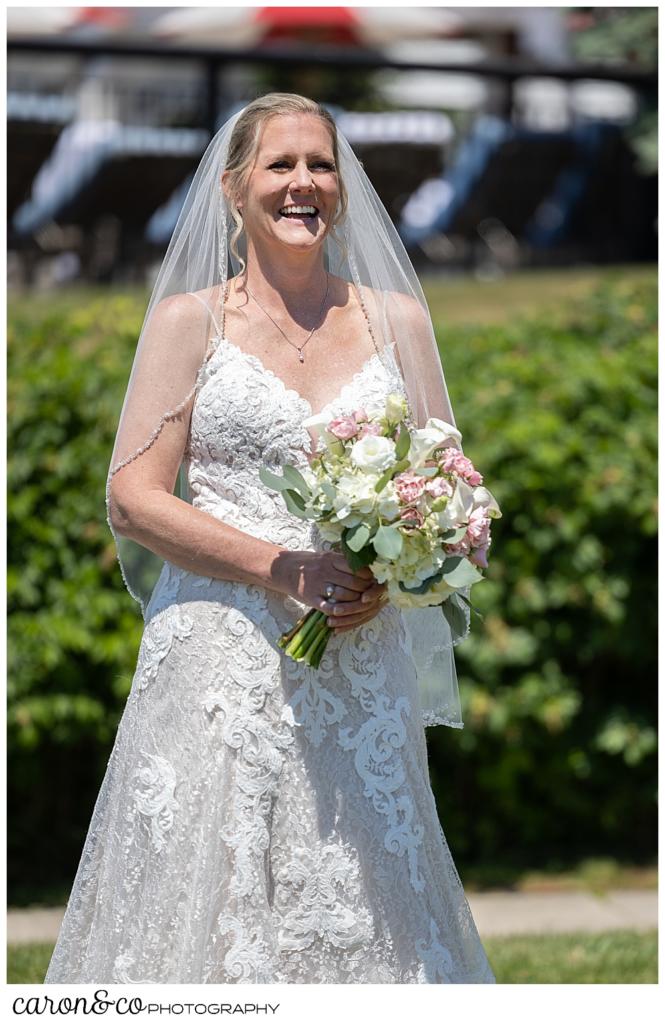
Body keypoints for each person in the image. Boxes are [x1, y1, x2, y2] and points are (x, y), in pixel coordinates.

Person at [44, 93, 495, 985]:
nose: (303, 185)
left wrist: (395, 568)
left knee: (368, 894)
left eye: (320, 165)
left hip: (361, 661)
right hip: (220, 657)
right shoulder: (191, 323)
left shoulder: (395, 321)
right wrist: (281, 565)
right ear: (232, 188)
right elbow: (132, 496)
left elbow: (446, 478)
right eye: (280, 165)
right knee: (215, 899)